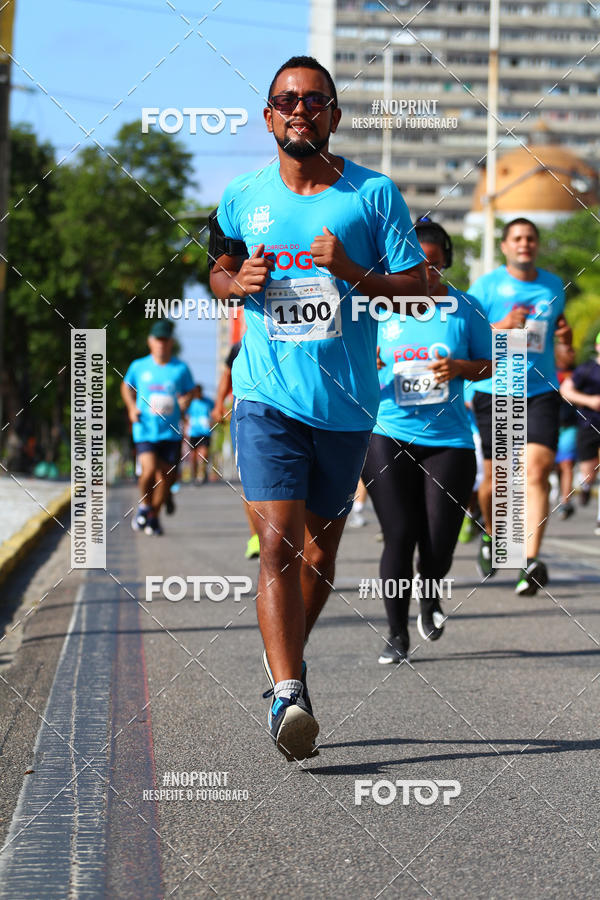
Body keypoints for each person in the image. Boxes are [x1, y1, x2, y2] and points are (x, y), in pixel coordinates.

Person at [209, 55, 426, 759]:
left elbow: (420, 286)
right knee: (274, 543)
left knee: (319, 556)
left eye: (313, 99)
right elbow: (216, 264)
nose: (299, 109)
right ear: (268, 117)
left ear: (332, 114)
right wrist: (232, 280)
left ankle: (283, 666)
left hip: (345, 406)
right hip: (265, 397)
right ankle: (289, 693)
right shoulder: (244, 195)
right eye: (285, 100)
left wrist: (350, 272)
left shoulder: (373, 194)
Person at [363, 217, 492, 663]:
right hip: (388, 432)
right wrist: (370, 358)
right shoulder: (379, 308)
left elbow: (490, 364)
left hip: (449, 440)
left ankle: (431, 593)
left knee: (438, 544)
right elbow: (347, 357)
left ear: (446, 264)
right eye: (416, 264)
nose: (425, 274)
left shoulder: (467, 308)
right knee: (399, 533)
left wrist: (458, 368)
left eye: (434, 265)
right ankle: (396, 633)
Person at [470, 218, 572, 595]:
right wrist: (500, 326)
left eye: (530, 238)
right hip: (495, 388)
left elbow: (554, 339)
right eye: (517, 238)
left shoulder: (553, 286)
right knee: (498, 481)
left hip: (541, 390)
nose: (524, 244)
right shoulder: (485, 287)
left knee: (536, 471)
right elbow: (470, 335)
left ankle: (528, 561)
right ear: (505, 246)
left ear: (537, 245)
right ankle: (491, 533)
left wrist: (566, 342)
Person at [121, 320, 194, 535]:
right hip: (145, 430)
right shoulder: (139, 366)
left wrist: (185, 401)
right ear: (150, 342)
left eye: (165, 340)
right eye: (157, 340)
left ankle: (153, 516)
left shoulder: (180, 368)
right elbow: (126, 386)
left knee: (166, 479)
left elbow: (190, 391)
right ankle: (144, 506)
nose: (161, 344)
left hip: (170, 432)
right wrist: (131, 407)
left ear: (171, 343)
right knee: (149, 470)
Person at [212, 340, 260, 559]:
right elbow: (227, 376)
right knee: (252, 481)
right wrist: (218, 404)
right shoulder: (240, 345)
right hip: (247, 412)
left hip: (292, 411)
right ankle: (256, 537)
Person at [560, 332, 600, 535]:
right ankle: (586, 486)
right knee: (589, 471)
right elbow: (566, 390)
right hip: (588, 424)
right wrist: (589, 401)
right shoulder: (587, 370)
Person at [187, 384, 214, 484]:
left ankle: (202, 474)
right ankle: (193, 475)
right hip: (193, 432)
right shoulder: (191, 403)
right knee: (193, 456)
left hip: (205, 432)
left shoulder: (208, 402)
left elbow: (214, 412)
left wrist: (212, 422)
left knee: (203, 454)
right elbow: (185, 415)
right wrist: (187, 425)